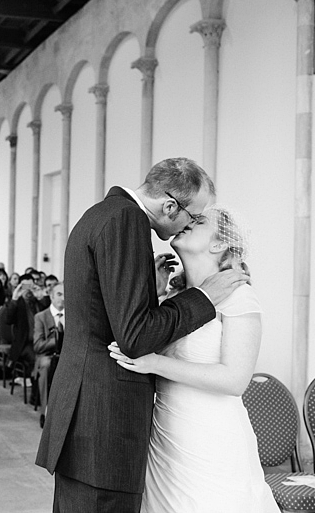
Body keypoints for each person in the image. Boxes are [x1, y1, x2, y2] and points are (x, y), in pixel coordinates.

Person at [36, 157, 248, 512]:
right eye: (192, 216)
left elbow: (108, 310)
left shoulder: (104, 212)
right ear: (169, 206)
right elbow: (134, 336)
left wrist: (148, 287)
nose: (190, 225)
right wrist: (205, 296)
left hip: (91, 414)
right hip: (104, 421)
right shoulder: (126, 220)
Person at [108, 206, 278, 510]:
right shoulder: (172, 298)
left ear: (218, 244)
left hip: (211, 436)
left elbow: (235, 380)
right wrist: (153, 294)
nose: (187, 222)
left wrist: (155, 363)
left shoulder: (239, 296)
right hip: (165, 434)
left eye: (198, 221)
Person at [33, 281, 64, 424]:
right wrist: (58, 339)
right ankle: (45, 410)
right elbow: (38, 346)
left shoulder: (72, 316)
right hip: (46, 355)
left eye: (65, 294)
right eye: (59, 294)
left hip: (65, 356)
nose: (63, 298)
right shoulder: (41, 317)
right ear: (51, 297)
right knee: (46, 366)